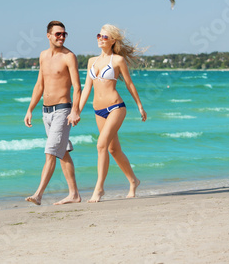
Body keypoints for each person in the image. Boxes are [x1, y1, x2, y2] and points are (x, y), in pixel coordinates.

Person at [78, 24, 147, 203]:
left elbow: (129, 84)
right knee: (113, 149)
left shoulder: (117, 60)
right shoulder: (91, 61)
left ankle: (99, 189)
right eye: (99, 35)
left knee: (101, 145)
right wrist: (76, 110)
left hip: (116, 107)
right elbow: (86, 88)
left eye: (105, 37)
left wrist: (139, 105)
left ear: (113, 41)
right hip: (98, 110)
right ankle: (134, 180)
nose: (101, 38)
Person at [24, 20, 82, 205]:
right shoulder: (43, 56)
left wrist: (75, 111)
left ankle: (38, 195)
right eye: (58, 34)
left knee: (50, 153)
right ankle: (74, 194)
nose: (61, 37)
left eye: (64, 34)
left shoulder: (69, 56)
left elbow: (77, 87)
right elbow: (39, 84)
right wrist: (30, 109)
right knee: (62, 152)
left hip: (63, 111)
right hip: (46, 111)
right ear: (48, 35)